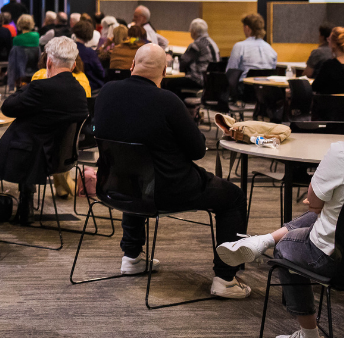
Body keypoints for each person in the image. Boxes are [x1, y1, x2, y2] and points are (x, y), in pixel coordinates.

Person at [91, 44, 252, 299]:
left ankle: (132, 256)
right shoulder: (167, 101)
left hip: (114, 185)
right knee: (233, 197)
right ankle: (226, 278)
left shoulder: (107, 92)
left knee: (135, 173)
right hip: (169, 189)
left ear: (132, 66)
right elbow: (198, 150)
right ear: (165, 72)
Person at [216, 136, 344, 338]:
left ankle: (309, 334)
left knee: (284, 250)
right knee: (338, 211)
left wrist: (320, 203)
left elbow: (314, 204)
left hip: (333, 259)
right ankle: (262, 240)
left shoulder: (342, 153)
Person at [0, 37, 90, 224]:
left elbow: (8, 107)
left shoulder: (39, 88)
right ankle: (25, 202)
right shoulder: (79, 90)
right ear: (74, 64)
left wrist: (29, 86)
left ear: (49, 61)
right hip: (61, 157)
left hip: (28, 155)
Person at [226, 12, 278, 81]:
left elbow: (230, 72)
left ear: (247, 28)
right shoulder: (271, 50)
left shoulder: (239, 47)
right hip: (265, 89)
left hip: (244, 89)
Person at [311, 27, 344, 95]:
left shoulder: (330, 65)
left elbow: (315, 87)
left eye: (329, 40)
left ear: (334, 44)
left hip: (332, 104)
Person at [180, 18, 220, 87]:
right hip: (214, 80)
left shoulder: (196, 45)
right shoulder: (213, 43)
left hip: (200, 80)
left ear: (194, 31)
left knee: (171, 84)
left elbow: (183, 63)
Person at [72, 20, 105, 90]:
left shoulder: (69, 48)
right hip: (90, 86)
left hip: (71, 84)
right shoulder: (90, 53)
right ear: (89, 34)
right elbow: (101, 72)